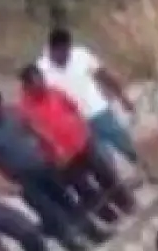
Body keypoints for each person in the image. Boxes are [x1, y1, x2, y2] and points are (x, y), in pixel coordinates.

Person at [0, 87, 109, 251]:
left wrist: (54, 148)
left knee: (67, 200)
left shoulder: (12, 112)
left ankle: (93, 232)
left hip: (42, 164)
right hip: (21, 179)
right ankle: (74, 247)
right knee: (49, 212)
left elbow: (35, 129)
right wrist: (4, 183)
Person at [18, 64, 137, 224]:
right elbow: (35, 132)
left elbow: (73, 109)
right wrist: (55, 149)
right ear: (28, 86)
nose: (41, 85)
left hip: (81, 142)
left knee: (105, 173)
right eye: (36, 84)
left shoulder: (54, 91)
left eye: (41, 80)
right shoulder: (25, 108)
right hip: (61, 157)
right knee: (85, 188)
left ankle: (127, 204)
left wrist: (84, 130)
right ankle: (111, 218)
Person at [37, 28, 140, 167]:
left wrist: (123, 98)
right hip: (76, 123)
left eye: (67, 52)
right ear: (52, 49)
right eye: (61, 54)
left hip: (99, 111)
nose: (65, 57)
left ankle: (147, 169)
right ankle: (118, 184)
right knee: (103, 158)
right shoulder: (41, 69)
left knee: (124, 143)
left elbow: (104, 76)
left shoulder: (81, 54)